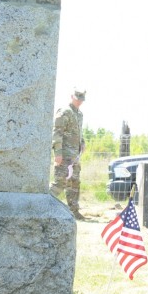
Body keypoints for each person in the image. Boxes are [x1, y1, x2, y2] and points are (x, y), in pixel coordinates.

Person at [50, 88, 87, 220]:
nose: (79, 102)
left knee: (74, 184)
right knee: (59, 183)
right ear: (72, 97)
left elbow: (78, 132)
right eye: (78, 99)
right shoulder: (65, 111)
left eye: (81, 99)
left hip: (74, 156)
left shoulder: (79, 114)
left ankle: (74, 211)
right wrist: (58, 153)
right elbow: (57, 133)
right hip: (64, 155)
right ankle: (44, 207)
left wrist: (82, 142)